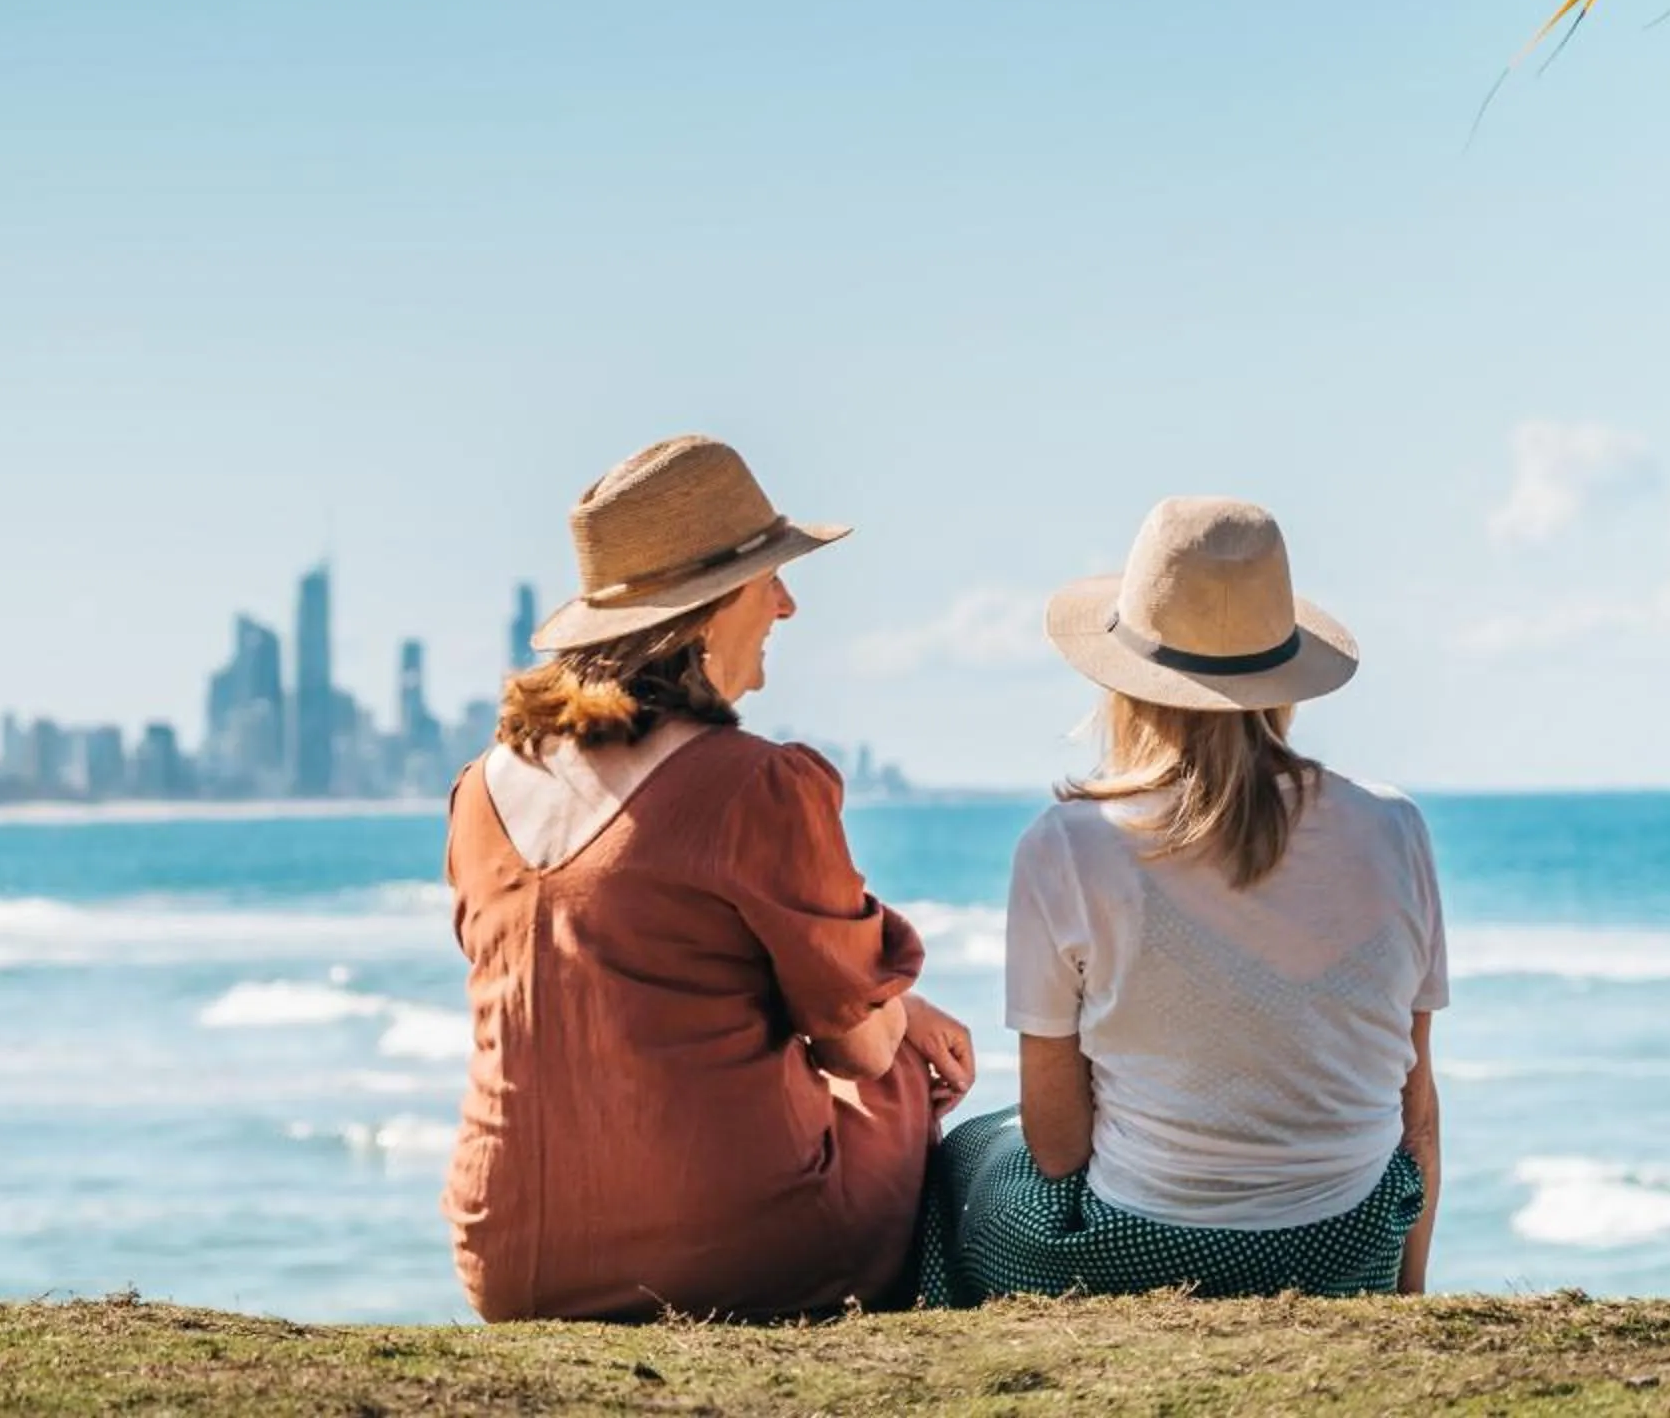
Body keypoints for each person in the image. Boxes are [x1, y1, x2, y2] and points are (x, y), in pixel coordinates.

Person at [445, 434, 976, 1322]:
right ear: (705, 611)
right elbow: (859, 1046)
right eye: (768, 579)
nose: (788, 604)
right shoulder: (756, 784)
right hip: (730, 1259)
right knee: (900, 1063)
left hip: (510, 1262)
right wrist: (901, 1019)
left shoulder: (480, 790)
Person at [920, 496, 1445, 1305]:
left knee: (966, 1159)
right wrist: (1404, 1296)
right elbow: (1416, 1113)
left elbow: (1058, 1148)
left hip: (1145, 1246)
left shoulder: (1068, 844)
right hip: (1347, 1242)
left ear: (1126, 679)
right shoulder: (1397, 829)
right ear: (1283, 675)